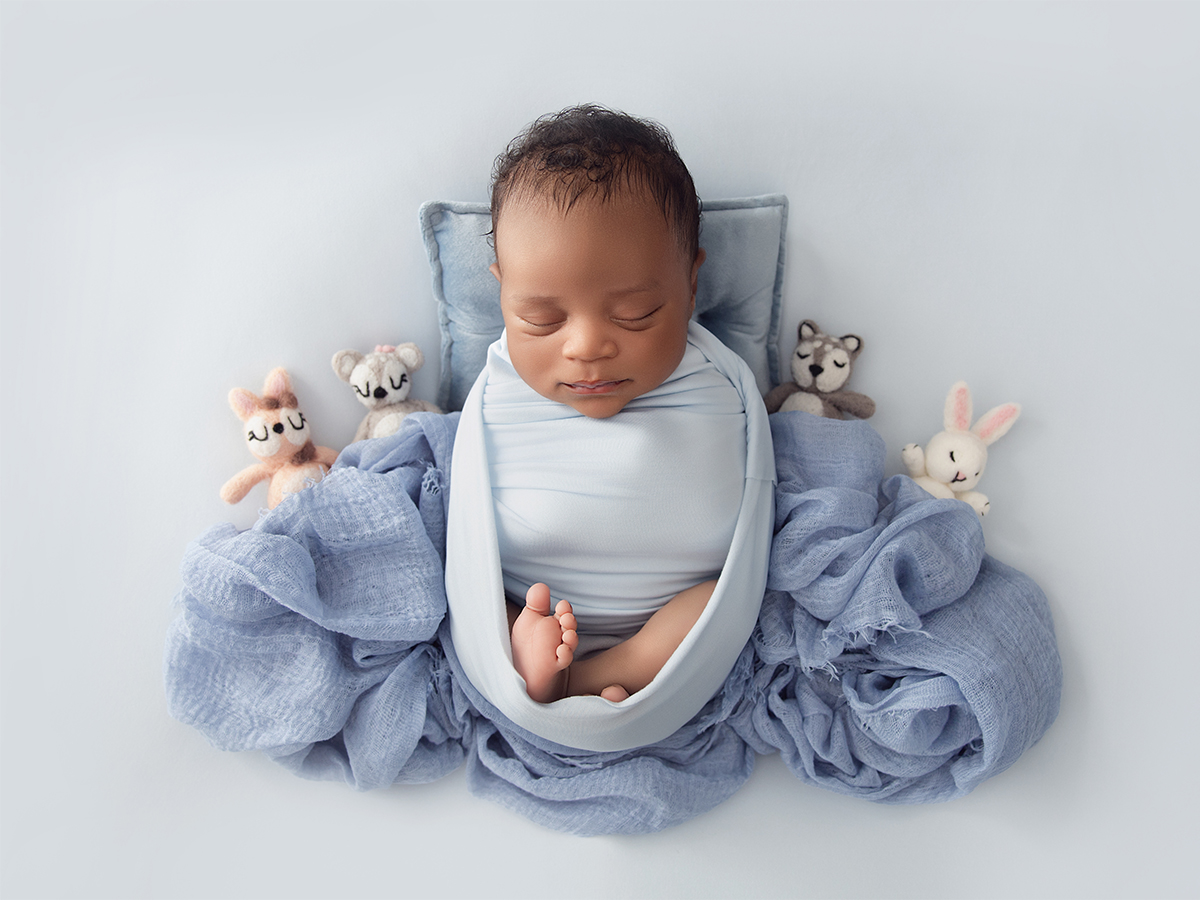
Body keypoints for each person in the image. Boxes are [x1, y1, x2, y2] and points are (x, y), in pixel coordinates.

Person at [480, 104, 750, 704]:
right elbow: (457, 498)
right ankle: (533, 663)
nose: (587, 348)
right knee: (468, 592)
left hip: (673, 619)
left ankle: (576, 681)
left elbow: (772, 482)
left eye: (635, 315)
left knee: (717, 605)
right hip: (528, 598)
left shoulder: (715, 373)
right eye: (540, 319)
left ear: (690, 284)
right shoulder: (499, 380)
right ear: (501, 289)